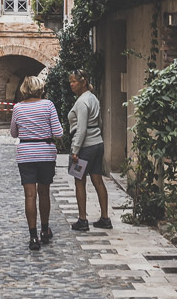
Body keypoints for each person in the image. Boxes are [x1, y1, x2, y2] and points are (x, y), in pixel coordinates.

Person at [10, 75, 62, 250]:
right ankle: (45, 230)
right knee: (44, 192)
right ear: (40, 88)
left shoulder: (17, 108)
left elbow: (14, 133)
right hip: (45, 153)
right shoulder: (48, 105)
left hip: (26, 154)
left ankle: (33, 237)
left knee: (30, 195)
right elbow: (58, 131)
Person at [68, 70, 112, 232]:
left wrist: (75, 150)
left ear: (83, 82)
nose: (71, 84)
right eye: (70, 82)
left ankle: (82, 219)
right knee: (97, 180)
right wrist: (98, 137)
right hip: (97, 144)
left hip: (84, 147)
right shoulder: (93, 98)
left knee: (79, 181)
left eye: (74, 81)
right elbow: (99, 122)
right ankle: (105, 218)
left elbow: (81, 128)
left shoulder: (81, 102)